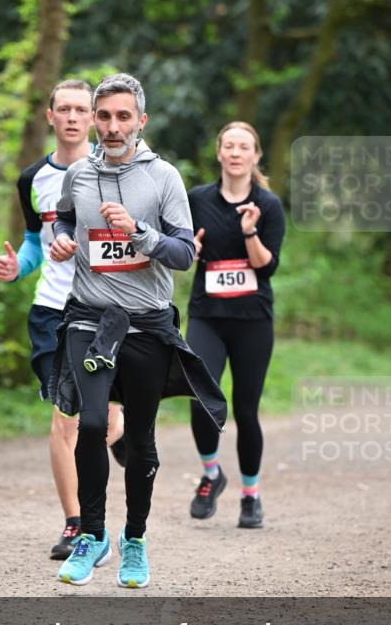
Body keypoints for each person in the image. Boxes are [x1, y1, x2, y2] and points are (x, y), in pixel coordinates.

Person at [48, 72, 227, 587]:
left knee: (142, 437)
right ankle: (92, 535)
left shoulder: (164, 177)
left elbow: (184, 254)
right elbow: (64, 219)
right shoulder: (79, 174)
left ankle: (135, 540)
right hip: (89, 318)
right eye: (103, 115)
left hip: (147, 325)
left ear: (140, 121)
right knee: (92, 423)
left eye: (122, 116)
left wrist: (139, 233)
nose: (111, 125)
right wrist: (62, 240)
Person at [0, 79, 124, 561]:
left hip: (106, 308)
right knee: (63, 419)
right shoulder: (32, 180)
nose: (71, 117)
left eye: (80, 109)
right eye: (63, 109)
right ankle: (77, 524)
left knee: (102, 420)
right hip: (51, 310)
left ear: (93, 118)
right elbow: (34, 244)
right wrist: (17, 268)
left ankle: (120, 430)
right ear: (50, 117)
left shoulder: (115, 173)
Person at [185, 121, 286, 529]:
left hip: (251, 320)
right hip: (207, 315)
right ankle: (211, 474)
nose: (236, 152)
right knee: (201, 399)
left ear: (255, 155)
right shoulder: (197, 200)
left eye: (244, 146)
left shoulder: (269, 204)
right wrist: (185, 251)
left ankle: (251, 495)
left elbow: (267, 267)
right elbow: (179, 248)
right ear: (219, 153)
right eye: (229, 145)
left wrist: (249, 232)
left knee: (246, 410)